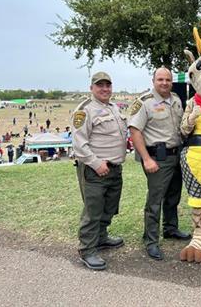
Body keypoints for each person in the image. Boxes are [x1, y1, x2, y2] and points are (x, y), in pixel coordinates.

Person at [128, 67, 191, 260]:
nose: (164, 83)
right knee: (155, 201)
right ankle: (151, 240)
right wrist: (146, 158)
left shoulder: (176, 100)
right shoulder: (144, 102)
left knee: (173, 196)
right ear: (153, 80)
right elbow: (134, 130)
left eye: (167, 80)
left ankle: (170, 228)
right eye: (160, 79)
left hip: (176, 154)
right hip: (157, 157)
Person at [71, 71, 128, 271]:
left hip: (114, 169)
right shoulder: (84, 110)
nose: (105, 89)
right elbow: (79, 144)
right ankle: (87, 249)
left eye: (108, 85)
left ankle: (102, 237)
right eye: (100, 85)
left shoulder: (113, 108)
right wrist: (96, 163)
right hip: (96, 170)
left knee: (109, 207)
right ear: (92, 88)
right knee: (92, 211)